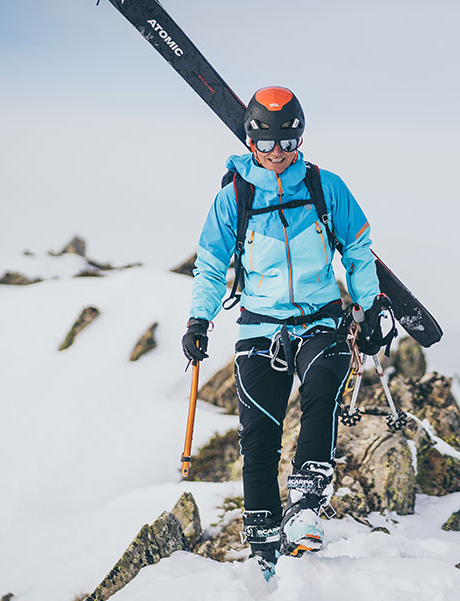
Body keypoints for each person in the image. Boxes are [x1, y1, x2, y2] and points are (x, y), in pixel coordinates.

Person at [180, 86, 387, 578]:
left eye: (287, 142)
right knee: (259, 437)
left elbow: (358, 251)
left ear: (300, 139)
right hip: (261, 327)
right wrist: (198, 319)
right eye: (267, 143)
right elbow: (210, 267)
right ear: (251, 141)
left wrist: (370, 304)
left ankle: (306, 506)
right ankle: (264, 549)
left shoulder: (325, 187)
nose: (277, 153)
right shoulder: (233, 198)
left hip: (320, 319)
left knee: (322, 391)